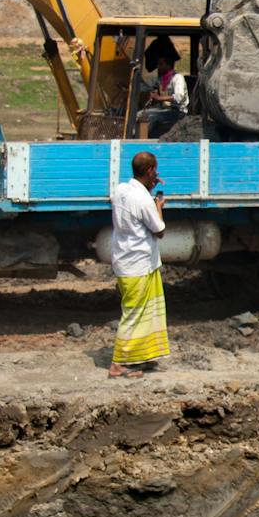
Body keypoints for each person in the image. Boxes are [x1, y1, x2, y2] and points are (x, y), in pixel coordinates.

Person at [107, 151, 169, 377]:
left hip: (126, 261)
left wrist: (148, 190)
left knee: (145, 312)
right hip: (138, 264)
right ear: (151, 170)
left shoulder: (122, 190)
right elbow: (159, 230)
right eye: (155, 170)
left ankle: (141, 356)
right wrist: (158, 205)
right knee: (134, 314)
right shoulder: (143, 200)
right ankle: (118, 364)